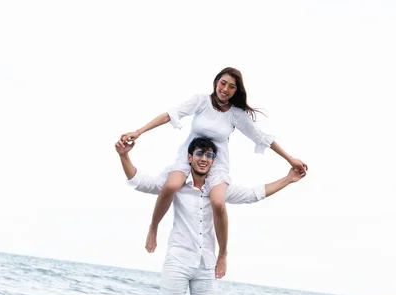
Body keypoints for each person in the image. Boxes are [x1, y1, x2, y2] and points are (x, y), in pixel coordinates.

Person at [115, 136, 306, 295]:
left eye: (209, 155)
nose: (204, 158)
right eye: (200, 153)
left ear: (213, 161)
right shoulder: (176, 185)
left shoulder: (219, 190)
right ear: (190, 157)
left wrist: (288, 179)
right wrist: (124, 156)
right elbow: (139, 181)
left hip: (207, 264)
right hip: (179, 260)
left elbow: (254, 194)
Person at [120, 67, 307, 280]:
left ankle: (223, 253)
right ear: (216, 82)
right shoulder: (201, 101)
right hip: (189, 156)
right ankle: (153, 228)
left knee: (218, 202)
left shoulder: (236, 115)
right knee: (171, 186)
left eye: (231, 86)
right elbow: (170, 115)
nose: (225, 89)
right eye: (223, 83)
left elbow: (261, 136)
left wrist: (290, 159)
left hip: (216, 163)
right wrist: (138, 132)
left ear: (236, 91)